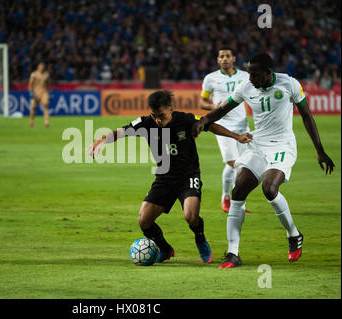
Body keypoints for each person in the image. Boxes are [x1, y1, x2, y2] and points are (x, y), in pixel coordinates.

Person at [192, 53, 335, 268]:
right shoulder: (246, 87)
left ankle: (293, 234)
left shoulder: (289, 84)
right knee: (238, 190)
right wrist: (204, 121)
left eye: (255, 75)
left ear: (269, 73)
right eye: (249, 74)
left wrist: (320, 150)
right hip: (258, 144)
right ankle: (233, 253)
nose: (251, 79)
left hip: (282, 146)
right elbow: (222, 110)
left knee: (269, 188)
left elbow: (306, 115)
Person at [88, 90, 252, 264]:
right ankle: (166, 249)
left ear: (171, 108)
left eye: (161, 115)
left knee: (190, 216)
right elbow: (121, 132)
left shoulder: (185, 119)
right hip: (164, 178)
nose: (157, 120)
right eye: (154, 115)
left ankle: (200, 238)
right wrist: (102, 140)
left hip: (188, 175)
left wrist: (236, 137)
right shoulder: (145, 123)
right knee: (144, 221)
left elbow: (210, 125)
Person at [200, 48, 251, 214]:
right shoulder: (211, 79)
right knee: (233, 163)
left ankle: (237, 202)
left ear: (234, 58)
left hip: (242, 125)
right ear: (218, 60)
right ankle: (226, 197)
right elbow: (202, 102)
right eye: (221, 56)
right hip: (222, 125)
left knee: (243, 165)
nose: (225, 59)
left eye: (228, 56)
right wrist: (212, 107)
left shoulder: (245, 76)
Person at [28, 62, 50, 127]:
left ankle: (46, 122)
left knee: (45, 106)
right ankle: (32, 120)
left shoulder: (46, 75)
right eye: (40, 67)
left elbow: (48, 84)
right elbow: (30, 83)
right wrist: (30, 91)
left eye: (42, 67)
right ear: (38, 67)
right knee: (33, 107)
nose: (41, 68)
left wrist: (49, 91)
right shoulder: (34, 74)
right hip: (35, 93)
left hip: (44, 92)